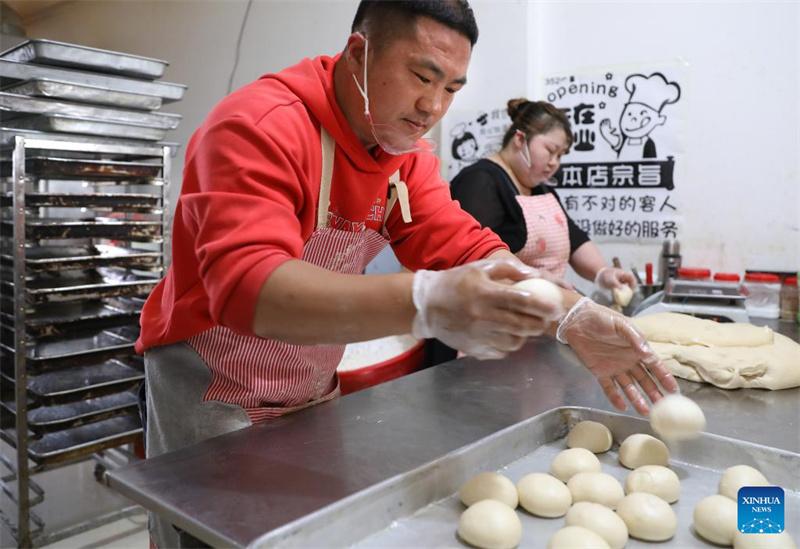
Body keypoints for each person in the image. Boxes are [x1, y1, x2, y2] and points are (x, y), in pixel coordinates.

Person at [135, 3, 677, 547]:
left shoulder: (405, 158)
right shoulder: (259, 126)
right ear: (357, 54)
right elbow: (250, 288)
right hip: (215, 385)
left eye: (452, 89)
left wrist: (570, 313)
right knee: (215, 536)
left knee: (303, 533)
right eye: (422, 76)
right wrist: (426, 301)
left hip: (310, 380)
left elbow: (463, 243)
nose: (432, 107)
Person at [450, 99, 638, 289]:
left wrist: (602, 272)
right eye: (550, 151)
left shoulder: (539, 186)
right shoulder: (480, 181)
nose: (554, 163)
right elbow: (471, 256)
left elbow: (574, 238)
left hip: (543, 306)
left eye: (560, 155)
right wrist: (531, 278)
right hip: (499, 308)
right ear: (520, 140)